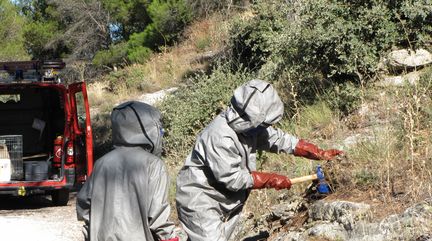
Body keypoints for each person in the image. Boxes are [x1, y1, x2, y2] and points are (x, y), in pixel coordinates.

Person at [176, 79, 343, 241]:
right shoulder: (220, 136)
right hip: (200, 200)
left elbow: (277, 139)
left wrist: (317, 152)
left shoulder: (250, 127)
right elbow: (233, 179)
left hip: (222, 200)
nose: (264, 129)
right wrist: (270, 180)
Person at [76, 101, 179, 241]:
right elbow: (158, 217)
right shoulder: (153, 165)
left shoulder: (101, 164)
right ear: (148, 129)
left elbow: (83, 207)